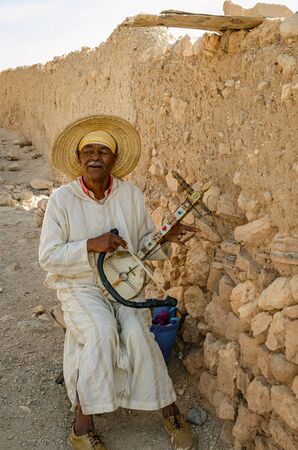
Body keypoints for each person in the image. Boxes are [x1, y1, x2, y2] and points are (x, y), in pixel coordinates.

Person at [39, 115, 198, 450]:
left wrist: (166, 238)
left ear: (113, 159)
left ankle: (170, 410)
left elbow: (142, 245)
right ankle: (82, 427)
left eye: (103, 151)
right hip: (80, 285)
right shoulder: (62, 200)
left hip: (124, 286)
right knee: (101, 331)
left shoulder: (129, 194)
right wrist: (88, 245)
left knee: (139, 333)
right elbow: (48, 256)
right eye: (89, 151)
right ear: (79, 158)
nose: (95, 156)